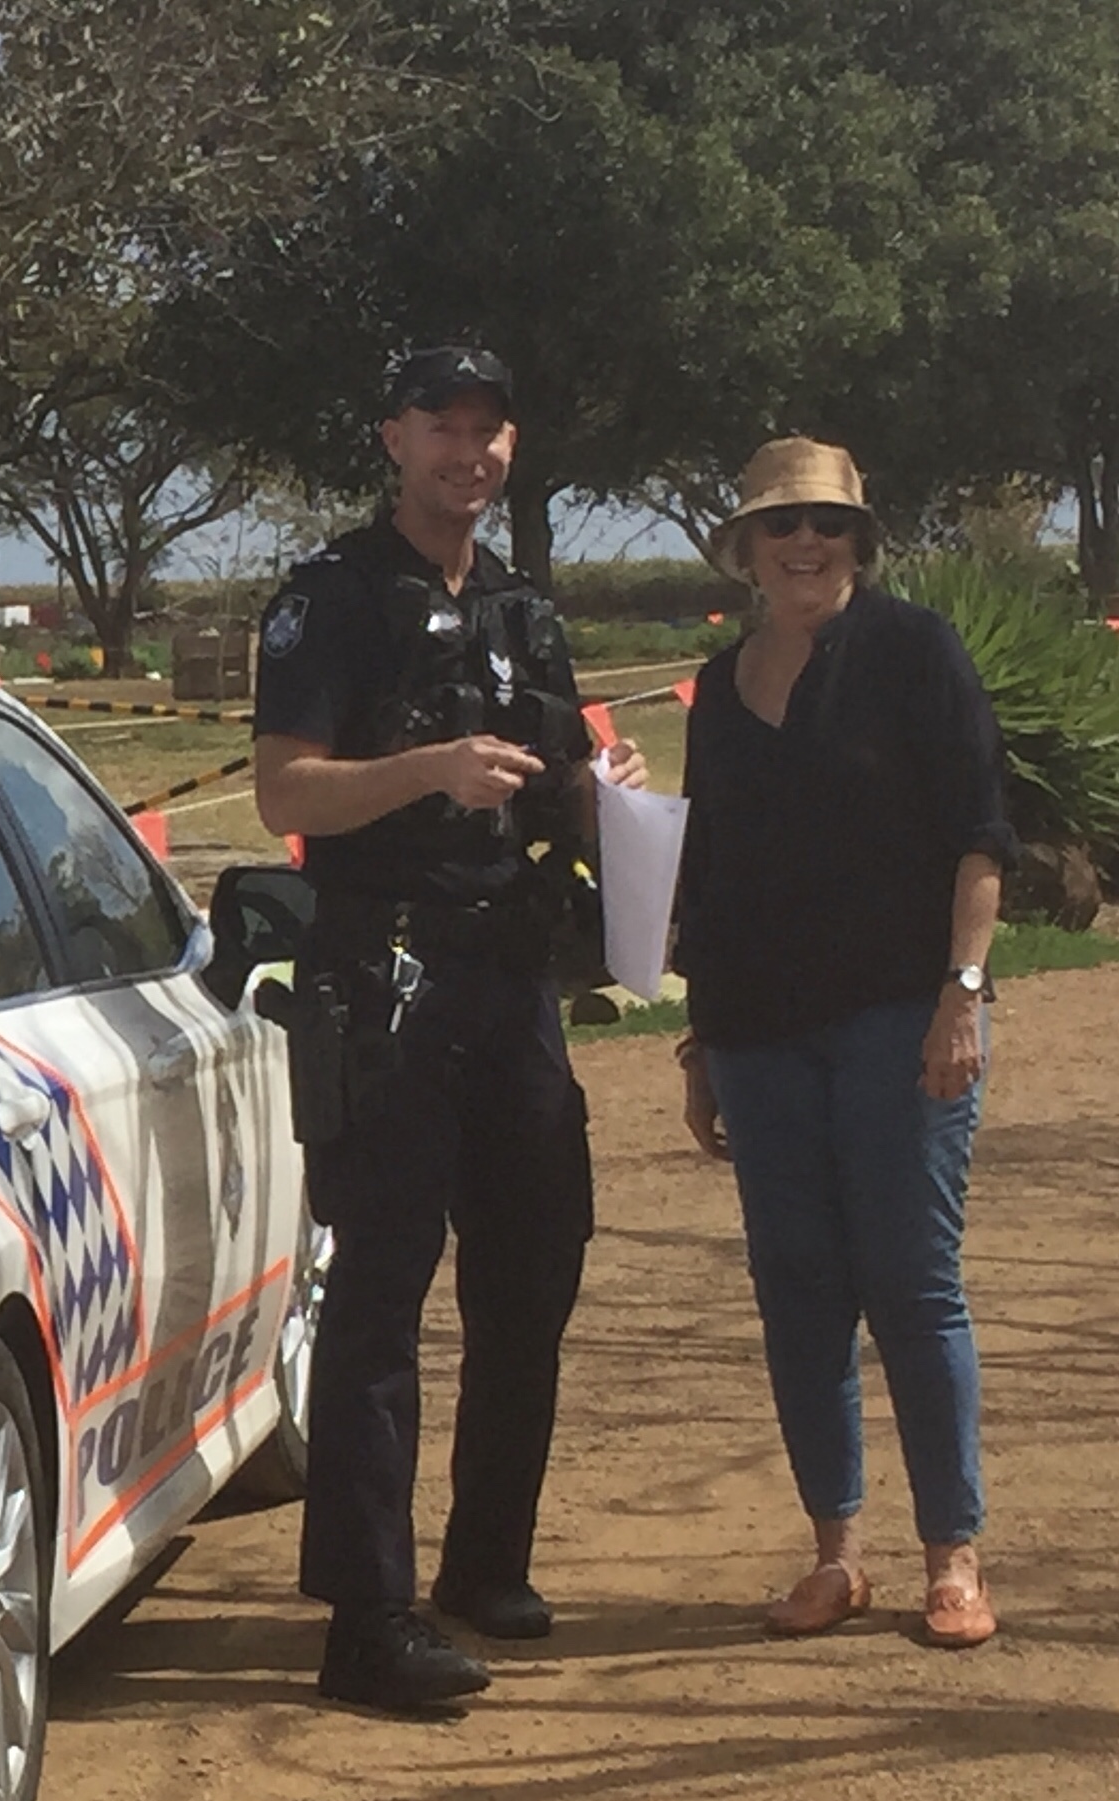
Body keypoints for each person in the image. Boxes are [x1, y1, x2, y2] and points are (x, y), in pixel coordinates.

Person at [250, 346, 644, 1712]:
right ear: (392, 438)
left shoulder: (525, 609)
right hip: (388, 974)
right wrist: (427, 770)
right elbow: (284, 792)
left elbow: (560, 781)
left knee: (534, 1269)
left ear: (511, 447)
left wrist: (607, 791)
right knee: (381, 1294)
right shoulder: (332, 598)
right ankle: (368, 1618)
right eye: (441, 428)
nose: (466, 453)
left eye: (488, 431)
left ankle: (486, 1565)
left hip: (512, 978)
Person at [673, 437, 1012, 1648]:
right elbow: (706, 871)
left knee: (912, 1285)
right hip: (759, 1035)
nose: (805, 544)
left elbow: (980, 832)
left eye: (825, 525)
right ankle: (836, 1554)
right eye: (782, 526)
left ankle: (952, 1558)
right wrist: (702, 1044)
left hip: (899, 1019)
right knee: (799, 1293)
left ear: (858, 542)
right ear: (748, 550)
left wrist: (961, 992)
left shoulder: (915, 649)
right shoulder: (719, 687)